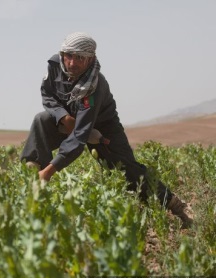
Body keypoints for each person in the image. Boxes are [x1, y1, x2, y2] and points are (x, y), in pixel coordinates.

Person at [20, 32, 193, 228]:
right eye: (69, 55)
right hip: (69, 118)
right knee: (41, 120)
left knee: (126, 171)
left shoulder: (94, 85)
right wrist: (63, 117)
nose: (72, 62)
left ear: (90, 59)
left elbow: (79, 136)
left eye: (79, 57)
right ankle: (33, 181)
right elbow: (48, 95)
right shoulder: (54, 66)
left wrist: (51, 170)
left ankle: (174, 205)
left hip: (103, 126)